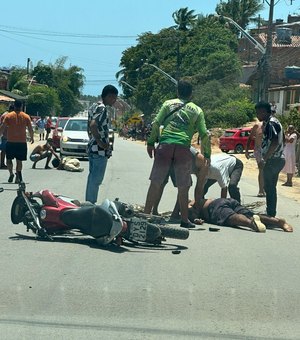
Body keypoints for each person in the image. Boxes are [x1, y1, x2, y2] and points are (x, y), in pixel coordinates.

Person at [144, 79, 211, 228]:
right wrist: (207, 154)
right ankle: (184, 220)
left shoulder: (168, 104)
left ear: (177, 91)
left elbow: (156, 123)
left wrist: (150, 142)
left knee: (156, 182)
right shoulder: (197, 110)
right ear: (191, 94)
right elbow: (204, 133)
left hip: (165, 145)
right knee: (183, 186)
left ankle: (145, 216)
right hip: (183, 148)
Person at [154, 150, 243, 221]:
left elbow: (224, 188)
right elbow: (199, 188)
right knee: (203, 188)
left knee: (232, 186)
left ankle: (237, 206)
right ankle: (199, 207)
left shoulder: (217, 171)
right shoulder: (199, 167)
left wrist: (221, 206)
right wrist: (197, 205)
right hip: (218, 162)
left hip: (235, 164)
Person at [85, 85, 118, 204]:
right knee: (96, 179)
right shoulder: (102, 108)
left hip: (92, 147)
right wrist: (100, 141)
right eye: (113, 98)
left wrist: (92, 139)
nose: (114, 100)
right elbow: (93, 124)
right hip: (99, 149)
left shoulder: (94, 106)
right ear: (108, 96)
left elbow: (88, 125)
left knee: (92, 177)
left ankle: (89, 202)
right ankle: (90, 204)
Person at [188, 197, 293, 233]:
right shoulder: (200, 199)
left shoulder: (190, 203)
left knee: (231, 218)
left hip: (214, 207)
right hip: (227, 201)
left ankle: (250, 223)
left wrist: (194, 219)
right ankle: (278, 222)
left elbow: (192, 212)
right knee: (250, 213)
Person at [256, 101, 285, 217]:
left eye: (258, 113)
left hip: (273, 160)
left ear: (263, 112)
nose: (257, 115)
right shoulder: (274, 122)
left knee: (269, 186)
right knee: (270, 186)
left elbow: (274, 141)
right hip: (278, 158)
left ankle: (271, 212)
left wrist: (265, 158)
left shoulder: (271, 123)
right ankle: (271, 211)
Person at [0, 100, 34, 183]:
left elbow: (3, 127)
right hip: (22, 142)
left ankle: (11, 173)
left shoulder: (8, 116)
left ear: (14, 106)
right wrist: (32, 137)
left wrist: (0, 135)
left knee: (9, 159)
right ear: (21, 106)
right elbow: (30, 128)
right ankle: (18, 176)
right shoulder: (26, 116)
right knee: (19, 161)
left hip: (11, 141)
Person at [245, 121, 265, 197]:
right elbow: (250, 138)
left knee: (268, 170)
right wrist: (246, 150)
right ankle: (261, 190)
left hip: (269, 150)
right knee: (262, 169)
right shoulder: (257, 126)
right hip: (259, 150)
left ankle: (267, 188)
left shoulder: (273, 125)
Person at [0, 104, 14, 169]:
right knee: (4, 150)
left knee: (4, 150)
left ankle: (2, 163)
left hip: (4, 134)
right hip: (5, 135)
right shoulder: (7, 115)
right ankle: (2, 164)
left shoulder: (5, 114)